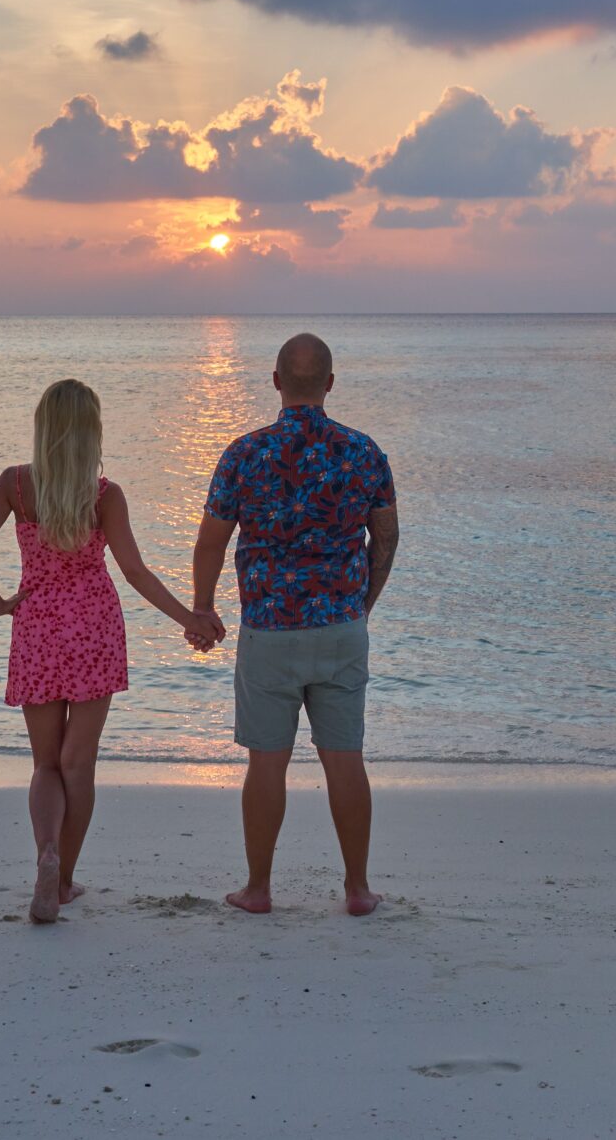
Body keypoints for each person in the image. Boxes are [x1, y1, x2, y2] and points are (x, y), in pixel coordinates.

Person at [0, 379, 224, 924]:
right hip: (94, 629)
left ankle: (45, 854)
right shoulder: (105, 496)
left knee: (44, 764)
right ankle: (61, 883)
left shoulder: (14, 484)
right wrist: (191, 618)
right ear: (92, 433)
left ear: (43, 428)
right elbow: (134, 572)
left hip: (35, 626)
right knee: (77, 763)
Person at [193, 333, 399, 918]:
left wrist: (203, 607)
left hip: (269, 628)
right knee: (345, 758)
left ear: (275, 381)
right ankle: (357, 890)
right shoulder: (364, 452)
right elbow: (386, 536)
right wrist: (363, 603)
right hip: (340, 626)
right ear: (330, 384)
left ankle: (258, 889)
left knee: (267, 761)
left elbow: (211, 542)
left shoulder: (244, 453)